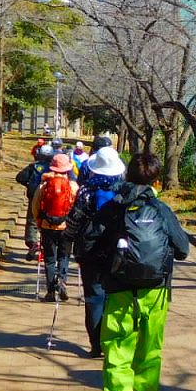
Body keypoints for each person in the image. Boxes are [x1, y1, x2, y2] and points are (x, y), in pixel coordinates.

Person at [94, 152, 189, 391]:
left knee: (117, 354)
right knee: (149, 354)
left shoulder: (112, 208)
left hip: (120, 292)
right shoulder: (161, 210)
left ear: (126, 176)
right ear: (156, 180)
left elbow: (87, 242)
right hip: (156, 294)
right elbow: (183, 249)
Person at [62, 146, 126, 358]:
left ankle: (96, 344)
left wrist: (67, 240)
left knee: (94, 297)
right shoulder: (123, 192)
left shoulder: (86, 192)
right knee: (115, 297)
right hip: (118, 251)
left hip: (90, 252)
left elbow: (74, 220)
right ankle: (113, 343)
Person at [29, 152, 79, 301]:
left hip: (47, 226)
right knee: (64, 256)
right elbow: (77, 207)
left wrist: (39, 221)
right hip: (67, 227)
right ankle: (62, 282)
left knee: (50, 259)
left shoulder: (44, 184)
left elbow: (35, 206)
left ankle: (50, 291)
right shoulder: (73, 186)